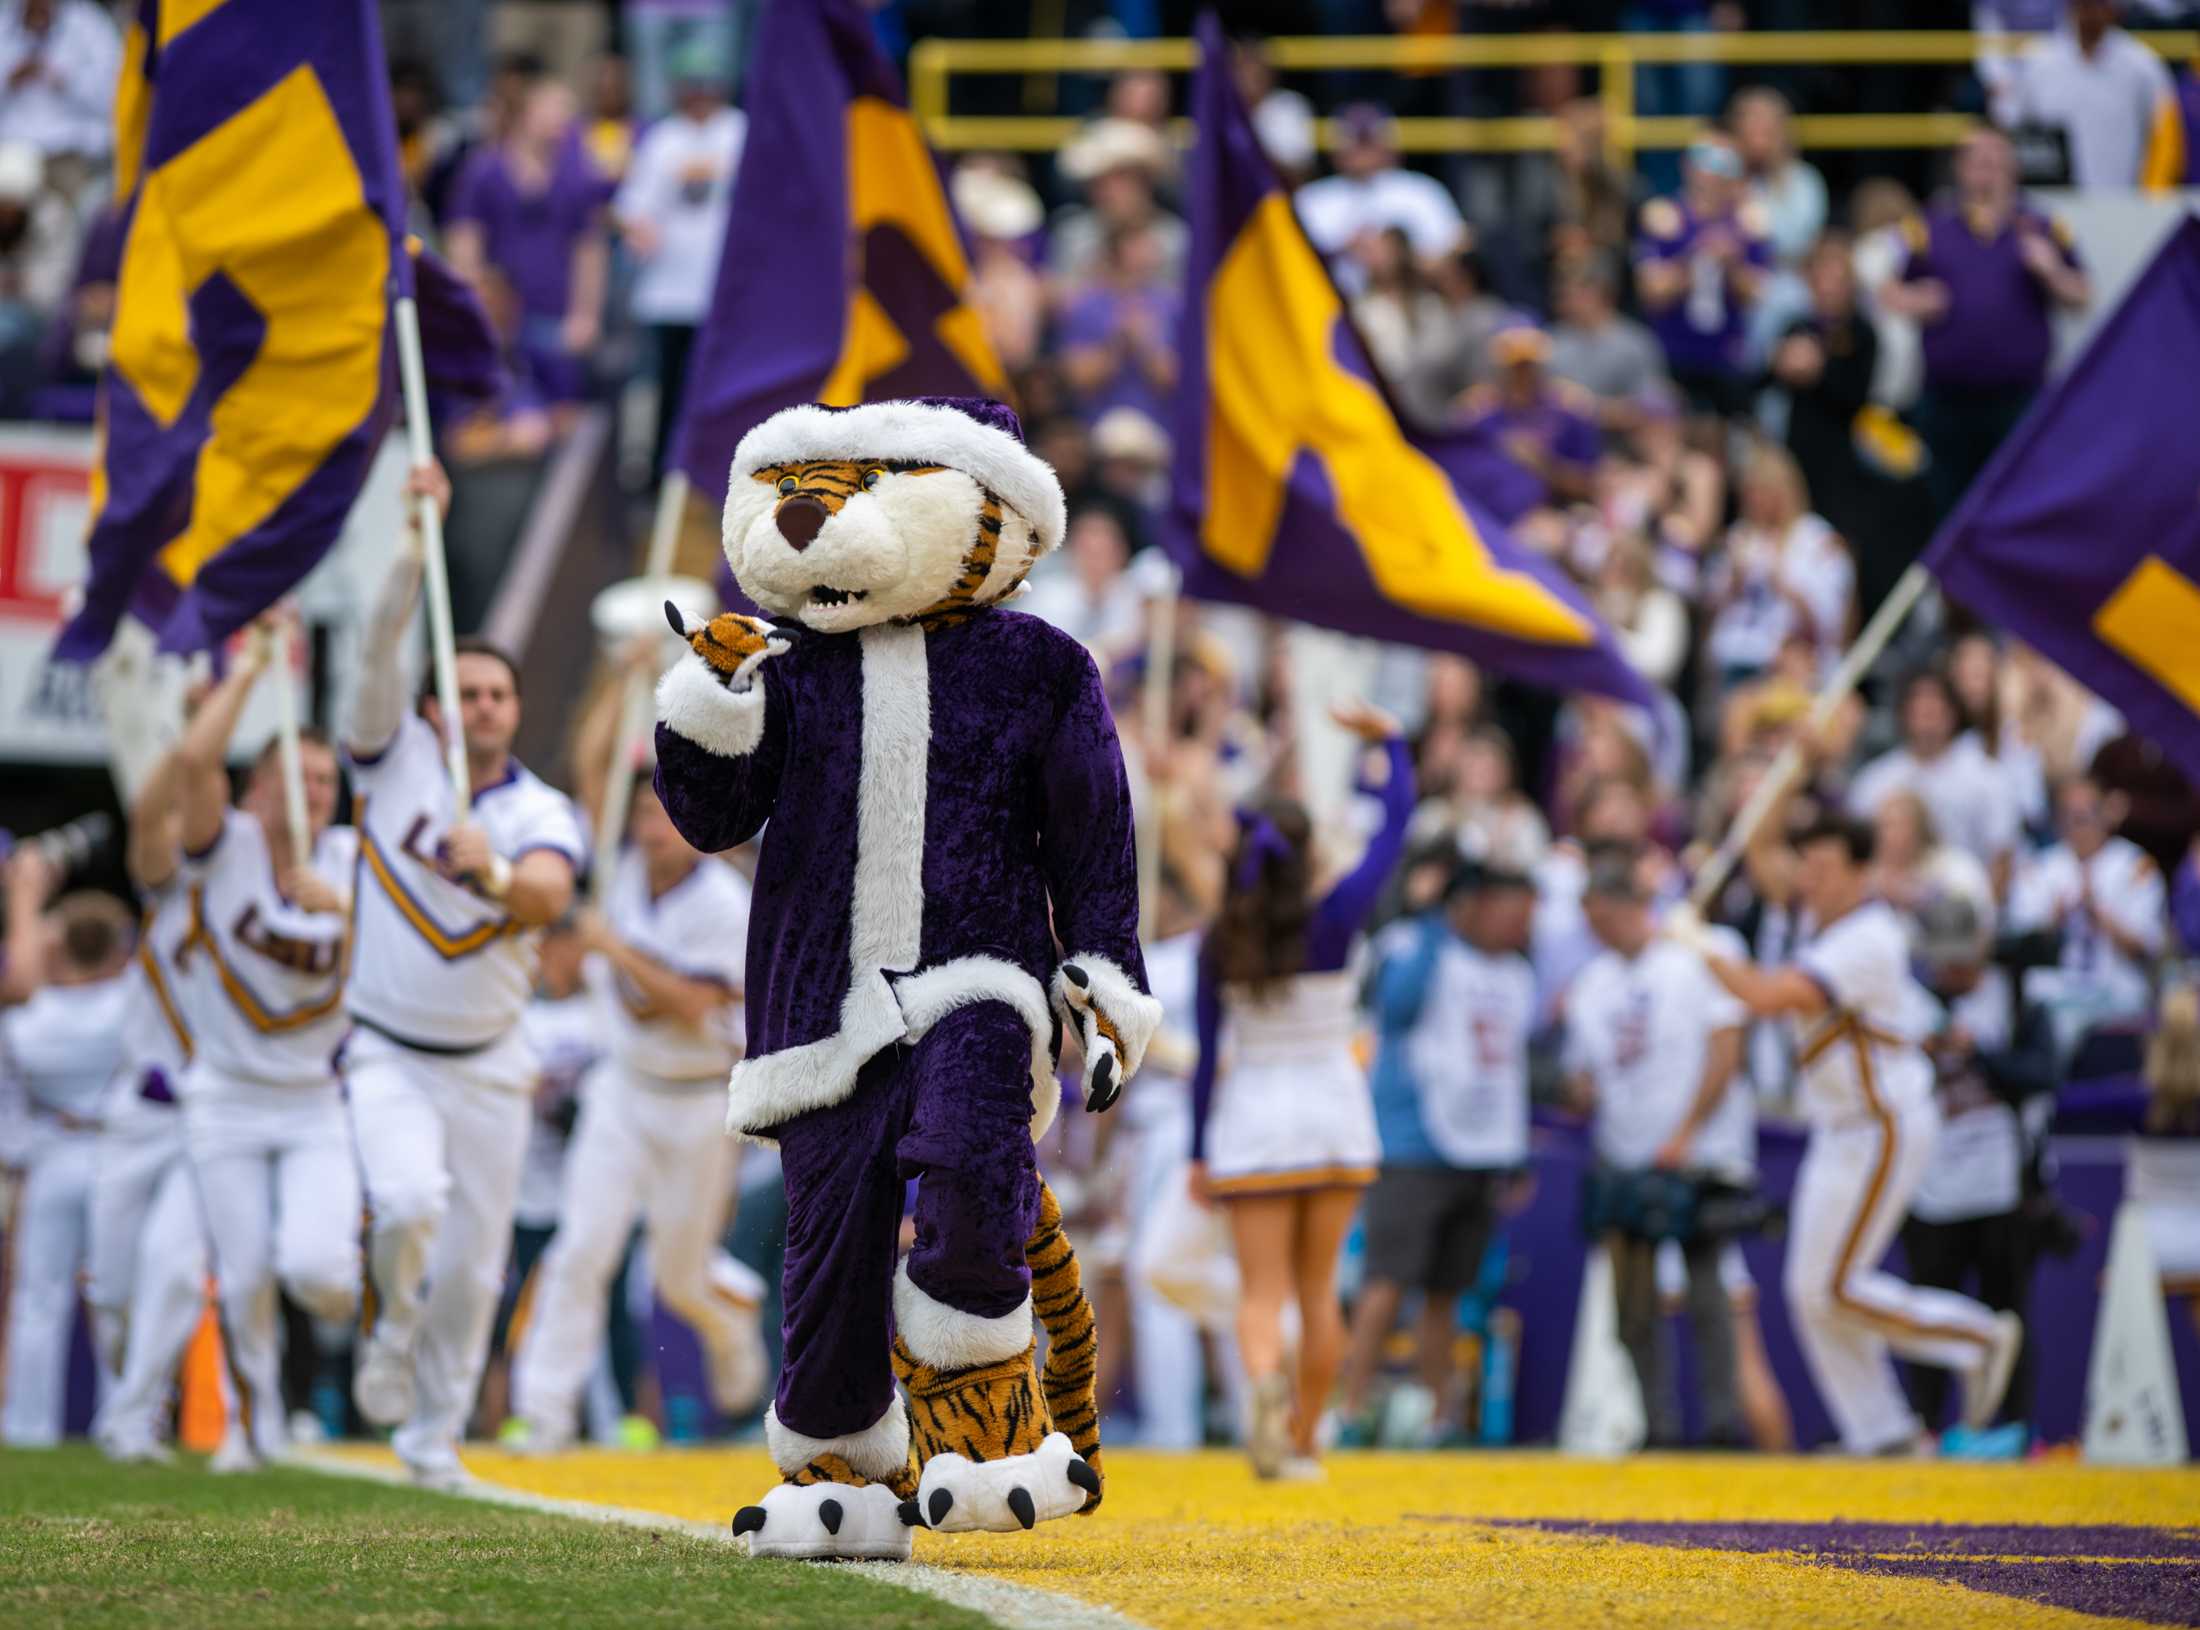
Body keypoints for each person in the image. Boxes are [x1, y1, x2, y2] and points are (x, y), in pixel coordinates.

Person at [344, 465, 585, 1488]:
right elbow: (374, 651)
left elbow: (542, 899)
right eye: (468, 692)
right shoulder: (389, 758)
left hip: (489, 1060)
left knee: (477, 1264)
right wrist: (414, 541)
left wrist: (478, 861)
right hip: (387, 1047)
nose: (483, 706)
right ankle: (389, 1324)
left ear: (514, 712)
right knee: (405, 1205)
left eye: (499, 695)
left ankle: (433, 1435)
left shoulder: (540, 811)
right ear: (442, 707)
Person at [1682, 810, 2022, 1456]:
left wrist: (1699, 943)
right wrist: (1794, 767)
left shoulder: (1869, 938)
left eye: (1826, 868)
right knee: (1810, 1293)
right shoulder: (1823, 916)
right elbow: (1762, 851)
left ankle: (1975, 1337)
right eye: (1807, 864)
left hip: (1882, 1122)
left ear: (1862, 874)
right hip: (1837, 1127)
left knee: (1837, 1285)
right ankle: (1884, 1433)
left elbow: (1767, 996)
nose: (1810, 878)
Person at [1188, 700, 1413, 1479]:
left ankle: (1262, 1387)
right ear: (1308, 855)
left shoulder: (1223, 939)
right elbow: (1395, 831)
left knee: (1261, 1295)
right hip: (1331, 1111)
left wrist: (1194, 1154)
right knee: (1320, 1295)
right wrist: (1389, 747)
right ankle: (1307, 1437)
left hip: (1252, 1117)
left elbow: (1212, 1053)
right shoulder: (1340, 915)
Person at [508, 775, 766, 1452]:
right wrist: (619, 680)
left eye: (669, 810)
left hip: (700, 1097)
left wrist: (611, 946)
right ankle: (545, 1411)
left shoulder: (726, 902)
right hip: (622, 1089)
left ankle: (734, 1335)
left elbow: (691, 1004)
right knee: (582, 1248)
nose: (654, 824)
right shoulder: (618, 873)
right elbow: (592, 764)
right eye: (647, 810)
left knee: (677, 1279)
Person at [169, 627, 362, 1470]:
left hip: (314, 1096)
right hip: (226, 1095)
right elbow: (187, 766)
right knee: (242, 1276)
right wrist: (250, 668)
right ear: (262, 786)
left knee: (318, 1273)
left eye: (326, 779)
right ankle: (254, 1429)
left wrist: (350, 916)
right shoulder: (229, 848)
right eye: (298, 774)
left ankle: (352, 1314)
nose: (314, 790)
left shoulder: (358, 862)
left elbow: (403, 966)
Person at [1339, 852, 1535, 1449]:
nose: (1520, 924)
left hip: (1480, 1151)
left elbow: (1509, 1069)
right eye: (1509, 909)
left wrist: (1514, 1150)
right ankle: (1348, 1411)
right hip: (1414, 1145)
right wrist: (1429, 919)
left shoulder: (1517, 973)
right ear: (1472, 905)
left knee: (1449, 1290)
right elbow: (1393, 1008)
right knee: (1386, 1280)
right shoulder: (1414, 947)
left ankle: (1434, 1416)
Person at [1566, 851, 1752, 1449]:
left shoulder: (1694, 958)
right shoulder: (1591, 985)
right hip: (1624, 1153)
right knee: (1634, 1303)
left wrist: (1687, 1132)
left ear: (1629, 906)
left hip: (1694, 1154)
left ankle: (1722, 1422)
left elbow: (1726, 1049)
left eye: (1602, 914)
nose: (1597, 928)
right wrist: (1581, 1093)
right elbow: (1585, 1074)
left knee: (1706, 1291)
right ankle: (1658, 1425)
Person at [84, 711, 225, 1463]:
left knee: (175, 1268)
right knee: (111, 1283)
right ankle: (132, 1391)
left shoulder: (248, 893)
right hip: (138, 1107)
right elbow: (146, 820)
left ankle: (135, 1419)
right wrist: (180, 730)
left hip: (207, 1112)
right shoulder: (167, 889)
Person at [1903, 892, 2058, 1447]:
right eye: (1943, 960)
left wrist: (1978, 1053)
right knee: (1924, 1315)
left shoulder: (2015, 998)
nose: (1952, 970)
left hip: (2000, 1189)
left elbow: (2043, 1073)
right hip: (1929, 1189)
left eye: (1961, 958)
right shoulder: (1908, 1002)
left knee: (2008, 1314)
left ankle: (2014, 1431)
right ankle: (1923, 1430)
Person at [1883, 129, 2088, 521]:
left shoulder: (2043, 227)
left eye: (1996, 161)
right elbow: (1888, 291)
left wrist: (2052, 271)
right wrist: (1916, 300)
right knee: (1946, 508)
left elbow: (2083, 294)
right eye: (1978, 162)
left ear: (2013, 168)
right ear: (1959, 169)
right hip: (1947, 400)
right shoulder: (1929, 228)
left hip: (2019, 398)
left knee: (2022, 504)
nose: (1987, 172)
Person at [0, 858, 130, 1448]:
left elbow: (22, 976)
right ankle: (120, 1421)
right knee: (115, 1293)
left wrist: (27, 905)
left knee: (37, 1297)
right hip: (114, 1150)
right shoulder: (131, 1004)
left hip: (53, 1148)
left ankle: (28, 1426)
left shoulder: (29, 1016)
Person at [611, 47, 743, 479]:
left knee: (726, 388)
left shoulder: (740, 132)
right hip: (670, 291)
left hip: (725, 291)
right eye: (693, 87)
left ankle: (721, 472)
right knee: (669, 388)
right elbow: (630, 208)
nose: (700, 96)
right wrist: (639, 231)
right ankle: (664, 473)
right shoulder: (663, 139)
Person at [445, 79, 611, 418]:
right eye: (554, 109)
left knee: (564, 412)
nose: (563, 119)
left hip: (557, 316)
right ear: (526, 112)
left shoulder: (577, 174)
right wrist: (473, 307)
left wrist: (586, 314)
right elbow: (464, 238)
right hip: (501, 318)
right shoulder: (485, 169)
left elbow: (589, 249)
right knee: (503, 414)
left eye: (568, 111)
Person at [2005, 770, 2167, 1058]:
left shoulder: (2135, 867)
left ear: (2105, 814)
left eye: (2087, 814)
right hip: (2059, 990)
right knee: (2043, 1015)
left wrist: (2101, 916)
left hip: (2117, 989)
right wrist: (2055, 921)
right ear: (2059, 821)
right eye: (2071, 816)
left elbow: (2148, 947)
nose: (2080, 826)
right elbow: (2019, 944)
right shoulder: (2040, 868)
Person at [1849, 668, 2023, 897]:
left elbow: (2002, 856)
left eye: (1935, 705)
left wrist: (1982, 919)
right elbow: (1856, 858)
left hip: (1963, 903)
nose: (1927, 713)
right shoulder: (1874, 781)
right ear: (1904, 713)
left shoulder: (1987, 777)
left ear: (1953, 712)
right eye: (1918, 705)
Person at [1632, 134, 1771, 420]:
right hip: (1672, 354)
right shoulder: (1664, 219)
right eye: (1705, 160)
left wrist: (1732, 264)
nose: (1713, 174)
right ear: (1687, 166)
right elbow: (1652, 293)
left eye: (1724, 164)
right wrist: (1694, 258)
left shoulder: (1748, 225)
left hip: (1727, 357)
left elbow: (1757, 295)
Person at [2001, 0, 2185, 190]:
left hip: (2124, 203)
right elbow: (2013, 125)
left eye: (2099, 5)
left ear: (2113, 10)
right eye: (2085, 4)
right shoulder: (2037, 60)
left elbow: (2166, 137)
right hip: (2052, 203)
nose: (2092, 12)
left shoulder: (2142, 65)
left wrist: (2151, 196)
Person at [1294, 104, 1469, 281]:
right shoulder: (1311, 198)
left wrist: (1396, 256)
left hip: (1410, 301)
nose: (1361, 151)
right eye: (1354, 140)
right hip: (1331, 300)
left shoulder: (1421, 190)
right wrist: (1344, 251)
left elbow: (1457, 247)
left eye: (1368, 141)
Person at [1454, 320, 1602, 508]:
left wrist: (1541, 464)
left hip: (1559, 511)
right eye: (1513, 368)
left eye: (1528, 366)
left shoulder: (1570, 407)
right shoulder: (1475, 412)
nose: (1522, 376)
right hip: (1491, 514)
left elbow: (1590, 485)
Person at [1547, 256, 1669, 430]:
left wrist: (1589, 407)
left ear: (1604, 292)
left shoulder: (1635, 343)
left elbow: (1652, 410)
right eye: (1565, 290)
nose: (1569, 297)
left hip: (1619, 445)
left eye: (1581, 289)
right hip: (1561, 444)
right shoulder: (1550, 340)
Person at [0, 0, 120, 166]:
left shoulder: (90, 26)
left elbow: (114, 99)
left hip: (72, 150)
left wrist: (65, 81)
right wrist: (9, 81)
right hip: (11, 149)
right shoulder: (4, 21)